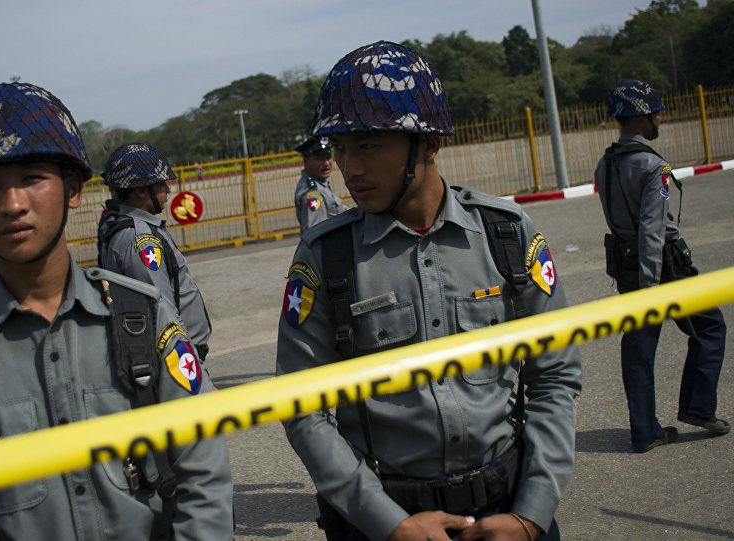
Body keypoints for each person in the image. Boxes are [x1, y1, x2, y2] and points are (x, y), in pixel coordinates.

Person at [0, 82, 233, 541]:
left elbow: (204, 471)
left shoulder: (143, 317)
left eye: (32, 178)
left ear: (72, 189)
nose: (13, 205)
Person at [276, 41, 581, 541]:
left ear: (430, 144)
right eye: (341, 148)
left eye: (368, 145)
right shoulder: (325, 257)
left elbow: (554, 376)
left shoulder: (507, 234)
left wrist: (532, 513)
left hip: (507, 511)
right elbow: (302, 407)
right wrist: (388, 524)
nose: (350, 168)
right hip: (384, 520)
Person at [595, 79, 728, 453]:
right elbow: (652, 229)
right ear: (641, 116)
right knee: (709, 328)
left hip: (626, 263)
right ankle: (698, 408)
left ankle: (644, 430)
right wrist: (653, 288)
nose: (659, 119)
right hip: (663, 264)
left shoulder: (604, 165)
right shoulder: (655, 168)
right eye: (656, 112)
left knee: (638, 346)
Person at [97, 143, 212, 360]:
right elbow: (163, 315)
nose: (168, 190)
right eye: (161, 184)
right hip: (179, 357)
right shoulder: (141, 240)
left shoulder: (127, 227)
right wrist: (195, 372)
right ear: (141, 190)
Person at [294, 135, 347, 232]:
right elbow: (315, 233)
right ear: (306, 161)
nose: (326, 163)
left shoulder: (320, 183)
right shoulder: (313, 194)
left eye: (328, 157)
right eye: (319, 158)